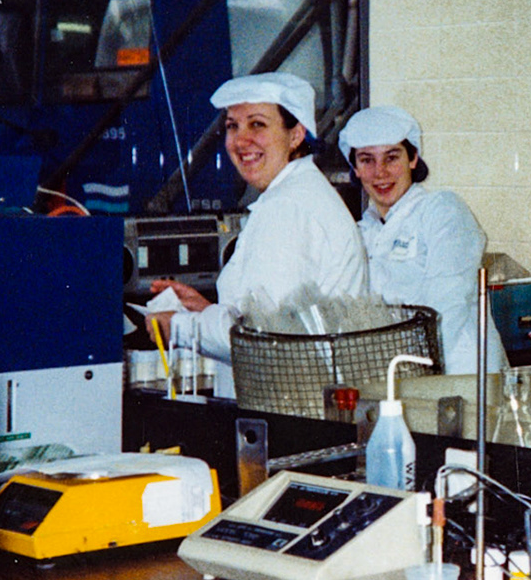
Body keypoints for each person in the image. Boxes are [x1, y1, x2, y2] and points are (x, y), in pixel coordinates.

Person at [149, 73, 368, 395]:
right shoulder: (298, 195)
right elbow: (274, 313)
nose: (240, 140)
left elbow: (263, 335)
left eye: (257, 125)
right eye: (232, 126)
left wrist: (177, 327)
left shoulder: (288, 208)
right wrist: (208, 311)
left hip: (289, 405)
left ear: (295, 135)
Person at [339, 105, 505, 374]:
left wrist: (412, 368)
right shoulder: (359, 233)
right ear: (355, 168)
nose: (380, 172)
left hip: (456, 374)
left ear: (413, 158)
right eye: (367, 160)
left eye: (391, 157)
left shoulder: (443, 210)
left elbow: (446, 304)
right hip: (394, 376)